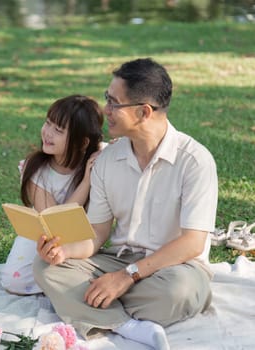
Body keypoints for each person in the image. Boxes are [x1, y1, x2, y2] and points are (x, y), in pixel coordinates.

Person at [33, 58, 218, 350]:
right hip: (118, 259)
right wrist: (63, 252)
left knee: (179, 292)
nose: (105, 110)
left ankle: (93, 305)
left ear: (144, 112)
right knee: (46, 269)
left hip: (175, 268)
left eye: (113, 102)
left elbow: (192, 243)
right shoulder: (108, 160)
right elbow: (97, 233)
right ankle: (128, 326)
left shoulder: (195, 161)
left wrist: (127, 277)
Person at [1, 94, 104, 295]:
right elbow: (56, 222)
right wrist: (85, 183)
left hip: (80, 240)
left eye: (58, 130)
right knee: (14, 281)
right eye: (48, 124)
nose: (47, 133)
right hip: (42, 237)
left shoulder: (98, 158)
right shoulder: (36, 169)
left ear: (83, 142)